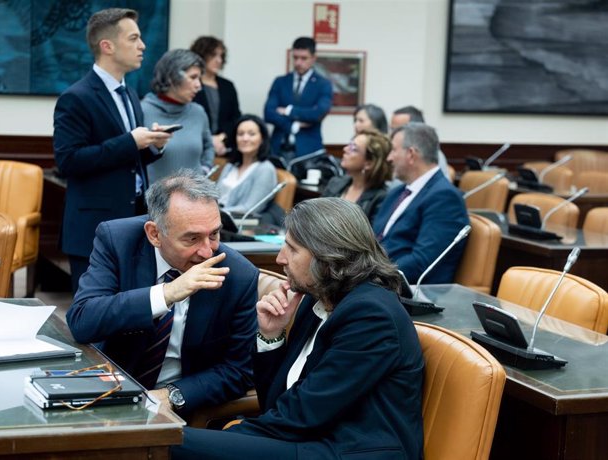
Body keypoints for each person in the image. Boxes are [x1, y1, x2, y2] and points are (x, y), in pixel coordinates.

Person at [172, 197, 424, 460]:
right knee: (172, 441)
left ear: (328, 256)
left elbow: (303, 415)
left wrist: (232, 436)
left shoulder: (371, 316)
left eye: (291, 249)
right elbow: (276, 403)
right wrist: (271, 336)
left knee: (169, 443)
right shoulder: (316, 299)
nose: (280, 258)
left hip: (349, 450)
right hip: (310, 440)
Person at [66, 171, 259, 415]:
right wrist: (166, 294)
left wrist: (171, 396)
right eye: (192, 238)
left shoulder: (237, 275)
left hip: (180, 403)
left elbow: (238, 370)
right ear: (154, 234)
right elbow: (83, 320)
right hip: (107, 388)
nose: (208, 252)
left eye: (214, 234)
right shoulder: (118, 241)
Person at [53, 8, 172, 293]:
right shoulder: (75, 97)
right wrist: (131, 141)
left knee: (130, 309)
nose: (142, 45)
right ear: (107, 46)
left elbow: (128, 159)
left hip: (135, 218)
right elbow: (68, 160)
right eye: (133, 39)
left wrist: (152, 146)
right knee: (93, 311)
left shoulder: (130, 94)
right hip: (94, 225)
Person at [372, 122, 469, 284]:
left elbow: (422, 262)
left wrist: (371, 275)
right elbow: (374, 239)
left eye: (394, 150)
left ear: (411, 154)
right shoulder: (397, 192)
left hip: (407, 291)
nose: (389, 158)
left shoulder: (444, 198)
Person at [141, 49, 214, 184]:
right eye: (193, 77)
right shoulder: (142, 111)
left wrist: (204, 169)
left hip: (194, 200)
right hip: (155, 202)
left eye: (199, 78)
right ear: (171, 77)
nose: (199, 85)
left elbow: (209, 147)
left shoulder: (198, 112)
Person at [264, 37, 333, 163]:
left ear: (313, 58)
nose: (298, 62)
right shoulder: (280, 82)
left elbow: (318, 113)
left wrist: (288, 111)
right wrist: (293, 125)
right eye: (295, 58)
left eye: (303, 58)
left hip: (308, 152)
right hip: (278, 149)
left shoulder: (323, 84)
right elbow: (269, 113)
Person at [322, 128, 391, 222]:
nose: (345, 149)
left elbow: (371, 235)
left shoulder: (381, 198)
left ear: (369, 163)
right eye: (349, 145)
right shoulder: (335, 183)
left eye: (353, 148)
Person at [190, 36, 242, 157]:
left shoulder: (228, 86)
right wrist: (209, 139)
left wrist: (222, 137)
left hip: (224, 148)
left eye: (221, 56)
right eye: (213, 55)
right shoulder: (190, 84)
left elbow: (236, 118)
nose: (218, 60)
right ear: (201, 55)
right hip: (196, 148)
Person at [217, 115, 277, 216]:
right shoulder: (231, 165)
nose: (245, 138)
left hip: (239, 225)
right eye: (240, 134)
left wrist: (217, 213)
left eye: (251, 134)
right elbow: (214, 197)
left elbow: (250, 209)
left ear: (262, 138)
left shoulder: (265, 169)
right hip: (215, 220)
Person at [390, 105, 450, 181]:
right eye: (391, 129)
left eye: (399, 129)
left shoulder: (432, 156)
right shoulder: (395, 151)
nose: (392, 134)